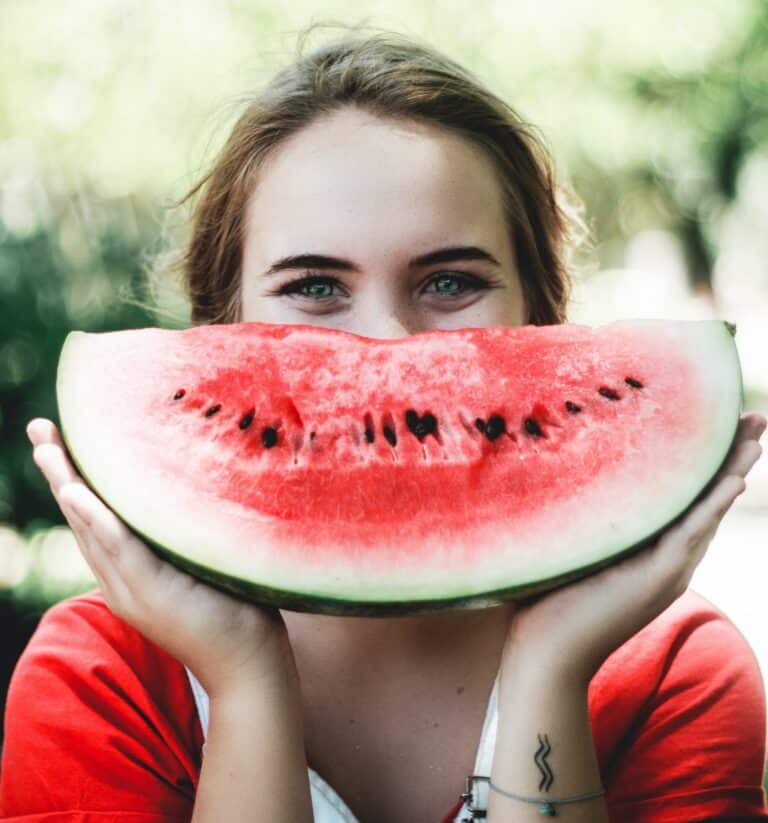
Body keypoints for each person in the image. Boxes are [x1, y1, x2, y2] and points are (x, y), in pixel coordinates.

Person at [2, 25, 767, 823]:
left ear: (543, 319)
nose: (387, 348)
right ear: (217, 329)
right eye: (315, 288)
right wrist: (244, 678)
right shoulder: (100, 678)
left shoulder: (674, 673)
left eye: (448, 279)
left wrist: (549, 667)